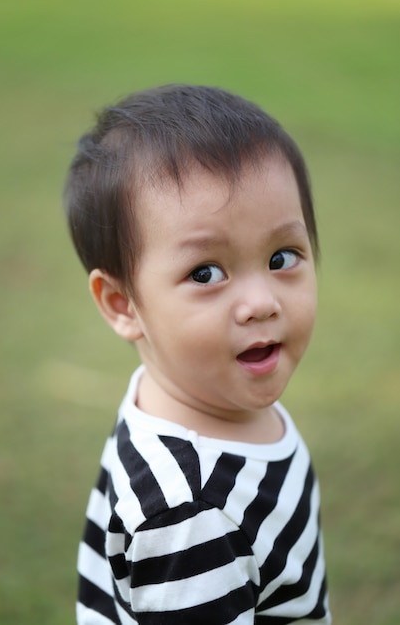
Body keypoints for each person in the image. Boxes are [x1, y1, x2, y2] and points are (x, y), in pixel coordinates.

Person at [64, 84, 331, 625]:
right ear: (123, 304)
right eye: (205, 273)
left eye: (283, 256)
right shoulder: (188, 515)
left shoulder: (205, 397)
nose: (261, 303)